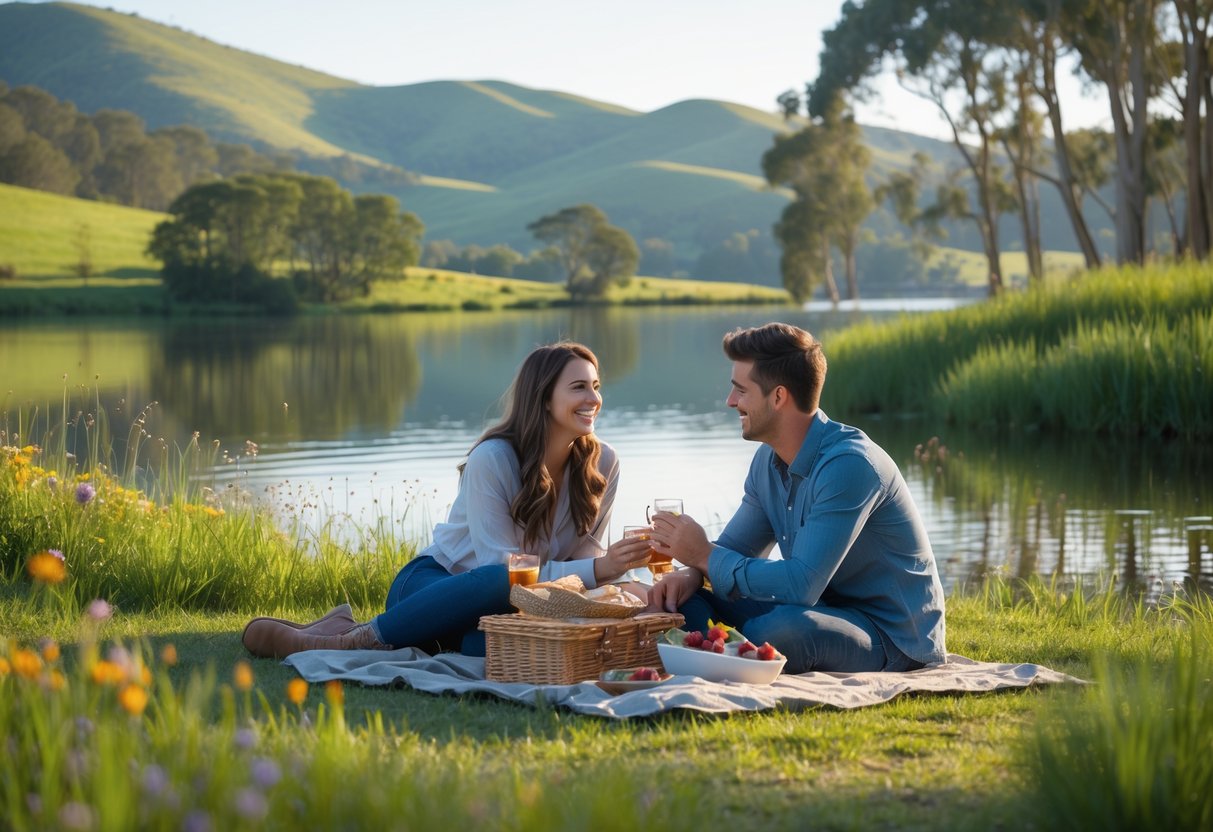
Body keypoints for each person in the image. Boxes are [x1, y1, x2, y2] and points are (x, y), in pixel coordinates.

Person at [242, 341, 653, 659]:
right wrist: (601, 568)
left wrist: (616, 578)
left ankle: (342, 625)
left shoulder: (605, 463)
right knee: (503, 579)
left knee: (481, 647)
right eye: (579, 387)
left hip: (526, 605)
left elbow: (582, 562)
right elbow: (503, 569)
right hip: (436, 583)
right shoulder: (494, 458)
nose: (594, 399)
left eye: (596, 386)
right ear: (544, 396)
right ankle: (350, 642)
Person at [647, 322, 946, 674]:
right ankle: (731, 656)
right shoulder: (767, 461)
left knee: (777, 630)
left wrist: (704, 554)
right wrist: (691, 575)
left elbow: (801, 584)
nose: (731, 402)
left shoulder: (849, 464)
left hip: (890, 635)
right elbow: (737, 548)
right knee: (682, 603)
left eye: (741, 391)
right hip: (820, 610)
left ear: (778, 396)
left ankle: (724, 655)